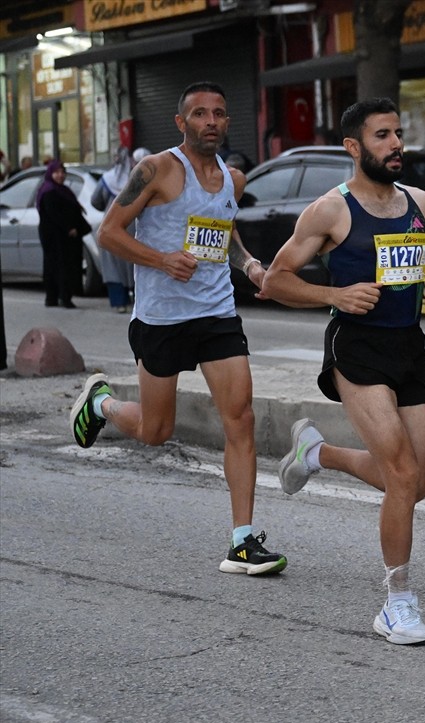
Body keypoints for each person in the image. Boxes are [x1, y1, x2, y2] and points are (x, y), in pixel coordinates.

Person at [260, 98, 425, 647]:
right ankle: (397, 602)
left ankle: (317, 454)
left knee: (416, 484)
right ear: (354, 148)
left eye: (398, 133)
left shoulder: (419, 201)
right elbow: (275, 280)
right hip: (358, 350)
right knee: (399, 473)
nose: (396, 144)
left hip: (408, 348)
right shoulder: (331, 210)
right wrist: (335, 295)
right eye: (382, 136)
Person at [69, 81, 284, 575]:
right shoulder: (157, 170)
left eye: (220, 113)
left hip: (217, 316)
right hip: (162, 318)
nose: (211, 121)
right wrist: (162, 259)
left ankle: (243, 542)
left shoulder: (233, 180)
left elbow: (224, 233)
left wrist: (250, 266)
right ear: (181, 122)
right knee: (155, 430)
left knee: (241, 419)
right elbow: (108, 233)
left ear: (228, 122)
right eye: (201, 114)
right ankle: (100, 402)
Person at [93, 147, 151, 312]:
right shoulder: (144, 180)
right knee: (134, 263)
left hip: (112, 227)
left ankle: (119, 302)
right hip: (137, 228)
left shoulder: (107, 179)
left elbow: (95, 200)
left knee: (113, 266)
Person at [36, 159, 91, 309]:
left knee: (62, 265)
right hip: (56, 236)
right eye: (57, 172)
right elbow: (54, 214)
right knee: (59, 266)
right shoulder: (48, 190)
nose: (60, 175)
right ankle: (61, 297)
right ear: (50, 173)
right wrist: (69, 228)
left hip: (64, 237)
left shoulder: (62, 190)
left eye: (62, 172)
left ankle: (57, 297)